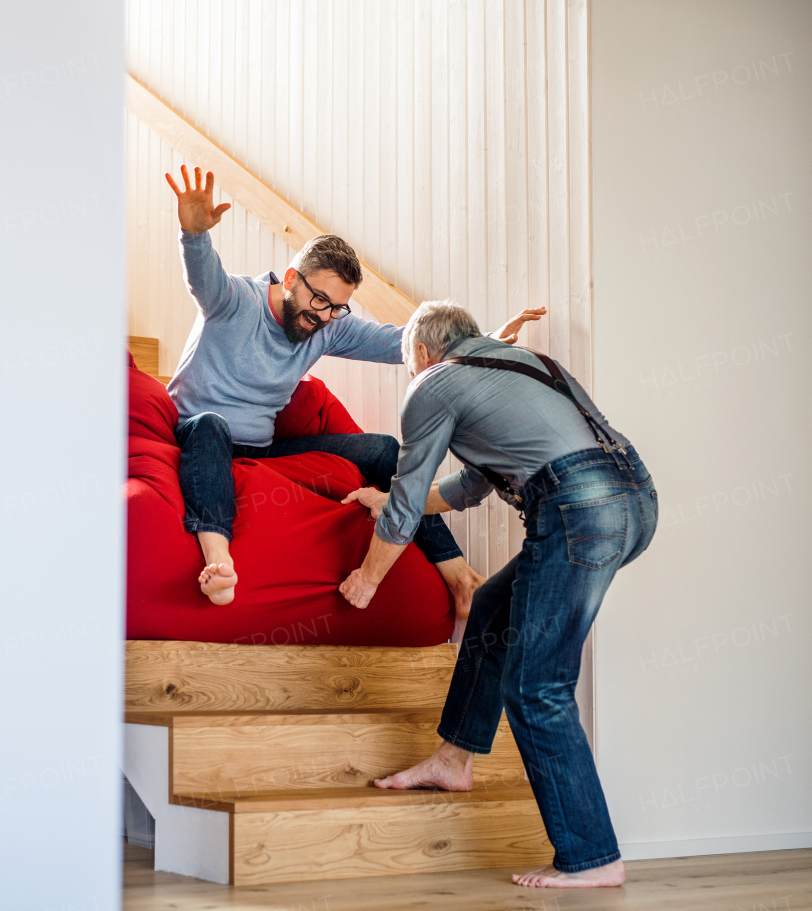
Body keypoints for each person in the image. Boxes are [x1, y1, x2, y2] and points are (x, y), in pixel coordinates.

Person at [338, 300, 657, 889]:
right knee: (491, 609)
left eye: (411, 365)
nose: (414, 376)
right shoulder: (527, 364)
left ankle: (591, 856)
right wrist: (390, 504)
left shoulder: (433, 383)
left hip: (577, 508)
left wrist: (368, 578)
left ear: (427, 354)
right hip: (633, 503)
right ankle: (453, 759)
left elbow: (410, 497)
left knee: (537, 686)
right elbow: (468, 486)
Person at [163, 164, 544, 610]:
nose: (323, 315)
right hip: (197, 435)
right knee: (211, 423)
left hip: (260, 451)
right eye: (318, 300)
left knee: (383, 448)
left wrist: (486, 342)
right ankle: (219, 561)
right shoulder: (232, 300)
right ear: (290, 280)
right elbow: (203, 275)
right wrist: (194, 235)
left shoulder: (327, 328)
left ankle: (460, 577)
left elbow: (404, 341)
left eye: (337, 308)